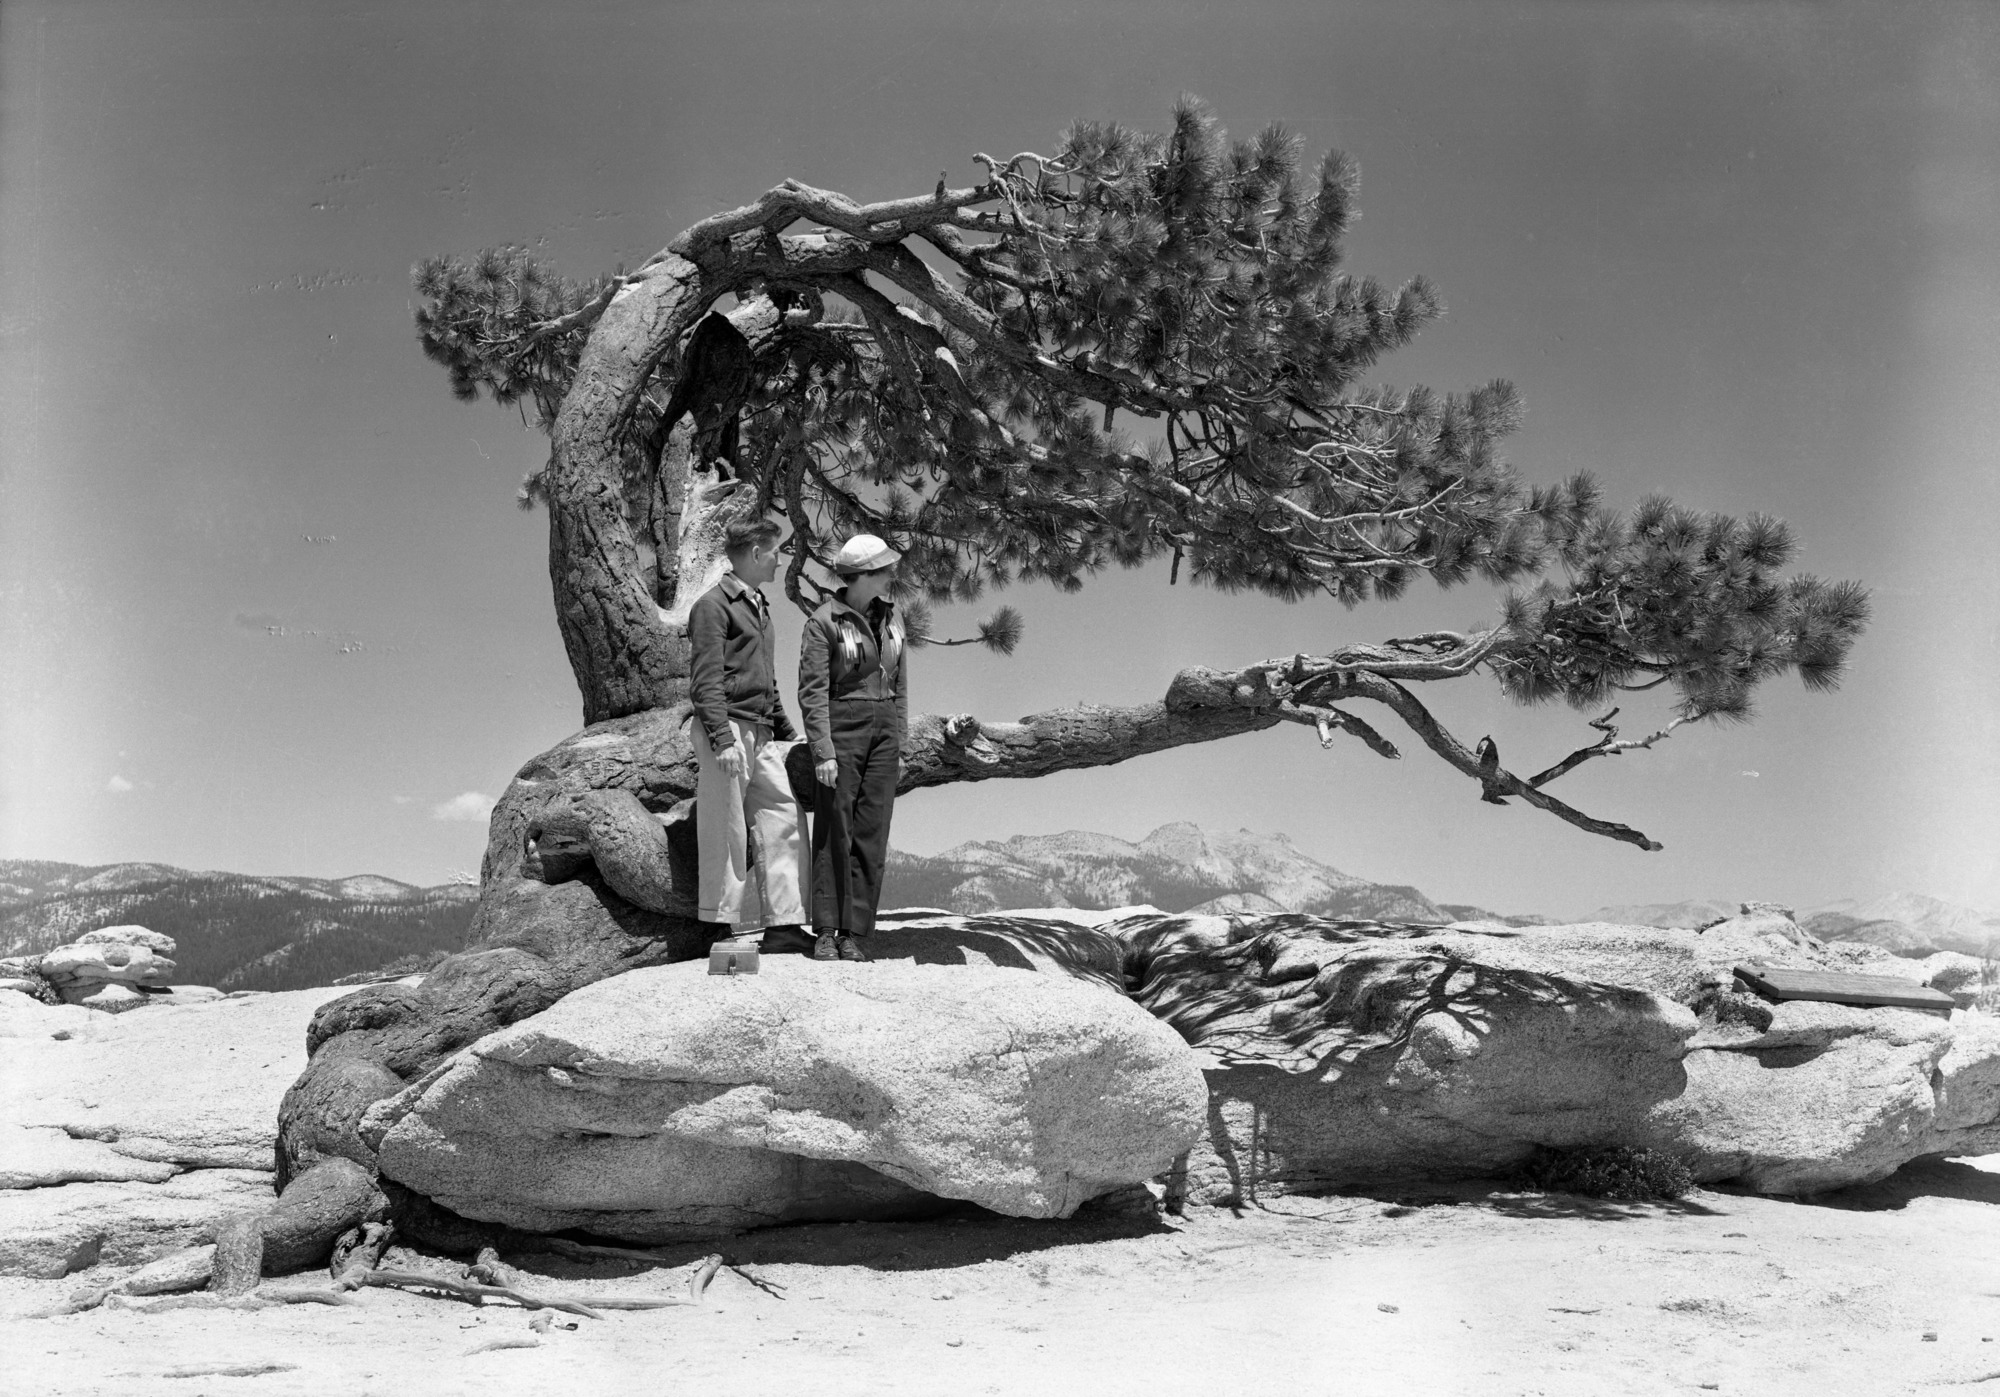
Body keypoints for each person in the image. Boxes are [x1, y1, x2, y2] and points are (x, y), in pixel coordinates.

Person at [687, 516, 812, 954]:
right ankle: (718, 925)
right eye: (775, 552)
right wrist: (722, 739)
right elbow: (705, 682)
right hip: (730, 731)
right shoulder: (713, 605)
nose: (780, 560)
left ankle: (785, 924)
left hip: (762, 732)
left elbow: (768, 683)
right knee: (727, 830)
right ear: (755, 554)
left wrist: (791, 737)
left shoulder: (759, 607)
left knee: (784, 819)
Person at [797, 533, 908, 962]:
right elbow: (812, 691)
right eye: (883, 568)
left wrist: (899, 741)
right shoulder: (823, 621)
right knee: (834, 826)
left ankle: (855, 932)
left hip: (884, 731)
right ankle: (826, 930)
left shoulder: (894, 621)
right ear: (861, 575)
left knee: (872, 830)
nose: (891, 574)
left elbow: (899, 685)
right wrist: (822, 749)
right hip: (842, 724)